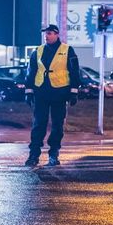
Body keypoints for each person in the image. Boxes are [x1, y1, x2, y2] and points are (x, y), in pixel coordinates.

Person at [24, 24, 81, 167]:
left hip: (59, 92)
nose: (46, 36)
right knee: (38, 124)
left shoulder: (67, 50)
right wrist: (29, 91)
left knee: (57, 125)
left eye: (49, 33)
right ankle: (34, 155)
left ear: (56, 34)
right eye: (45, 33)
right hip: (41, 91)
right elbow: (31, 72)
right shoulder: (38, 51)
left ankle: (54, 154)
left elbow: (74, 71)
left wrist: (74, 91)